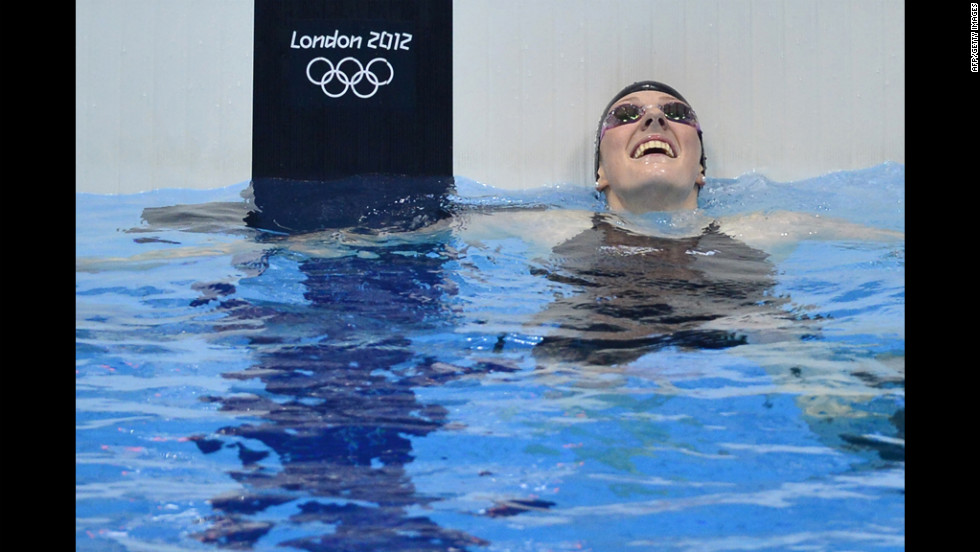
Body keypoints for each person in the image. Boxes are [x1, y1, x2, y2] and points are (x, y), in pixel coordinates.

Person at [594, 80, 706, 213]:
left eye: (677, 112)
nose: (654, 116)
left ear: (700, 169)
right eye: (626, 113)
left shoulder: (737, 229)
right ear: (601, 171)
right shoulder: (564, 230)